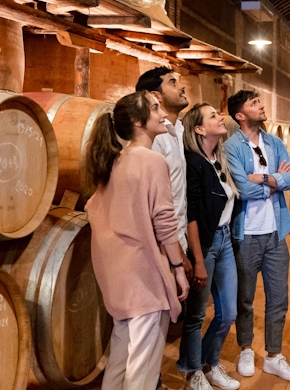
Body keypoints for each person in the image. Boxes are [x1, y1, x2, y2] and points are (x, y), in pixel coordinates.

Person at [82, 90, 190, 389]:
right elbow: (165, 223)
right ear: (136, 121)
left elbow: (95, 210)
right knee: (141, 373)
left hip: (115, 275)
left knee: (119, 360)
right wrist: (178, 268)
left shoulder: (113, 161)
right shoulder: (152, 161)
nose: (163, 113)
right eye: (155, 108)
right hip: (142, 276)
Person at [223, 90, 290, 382]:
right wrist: (274, 184)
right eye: (254, 103)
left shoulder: (275, 142)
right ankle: (245, 348)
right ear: (240, 115)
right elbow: (242, 188)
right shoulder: (231, 146)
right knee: (245, 298)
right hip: (246, 235)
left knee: (278, 298)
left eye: (260, 101)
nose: (261, 105)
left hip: (276, 234)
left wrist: (266, 179)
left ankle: (273, 355)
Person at [176, 103, 240, 390]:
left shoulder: (219, 159)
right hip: (206, 242)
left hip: (225, 240)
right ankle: (193, 373)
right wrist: (199, 259)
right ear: (199, 129)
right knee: (197, 314)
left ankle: (208, 362)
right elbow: (190, 215)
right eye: (213, 116)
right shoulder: (193, 163)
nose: (220, 117)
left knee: (228, 312)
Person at [136, 67, 193, 278]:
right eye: (172, 82)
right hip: (163, 247)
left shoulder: (176, 131)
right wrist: (177, 256)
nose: (181, 86)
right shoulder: (156, 138)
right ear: (156, 96)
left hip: (177, 241)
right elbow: (154, 205)